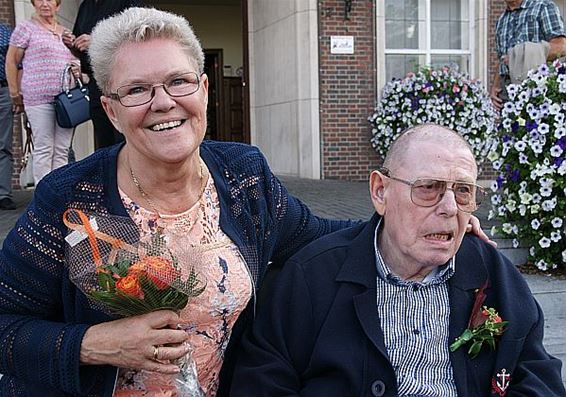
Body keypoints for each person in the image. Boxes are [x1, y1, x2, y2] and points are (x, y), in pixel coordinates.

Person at [0, 9, 490, 397]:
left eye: (178, 81)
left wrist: (415, 217)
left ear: (205, 90)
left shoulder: (243, 176)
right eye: (136, 91)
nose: (164, 102)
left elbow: (318, 236)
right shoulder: (69, 199)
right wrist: (94, 345)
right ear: (109, 109)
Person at [231, 124, 565, 397]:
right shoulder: (310, 277)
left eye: (463, 191)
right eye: (429, 187)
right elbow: (261, 382)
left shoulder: (494, 274)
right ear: (380, 192)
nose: (449, 207)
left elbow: (539, 377)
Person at [5, 0, 80, 185]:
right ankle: (43, 197)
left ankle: (59, 193)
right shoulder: (26, 28)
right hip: (38, 99)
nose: (45, 4)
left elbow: (76, 59)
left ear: (58, 5)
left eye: (50, 0)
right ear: (33, 3)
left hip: (65, 100)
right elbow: (11, 61)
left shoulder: (64, 32)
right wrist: (15, 92)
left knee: (62, 149)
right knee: (44, 148)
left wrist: (77, 65)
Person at [62, 0, 143, 150]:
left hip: (122, 82)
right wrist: (72, 45)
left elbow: (138, 36)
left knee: (124, 138)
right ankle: (108, 173)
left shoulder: (128, 2)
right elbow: (81, 50)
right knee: (103, 139)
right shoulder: (86, 5)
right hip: (96, 84)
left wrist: (96, 41)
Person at [490, 0, 566, 110]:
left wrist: (521, 54)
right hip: (506, 92)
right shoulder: (502, 19)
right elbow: (502, 58)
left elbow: (562, 47)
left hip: (536, 88)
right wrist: (495, 86)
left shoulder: (543, 7)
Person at [0, 22, 16, 211]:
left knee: (3, 144)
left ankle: (3, 194)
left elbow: (15, 63)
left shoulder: (5, 32)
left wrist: (15, 93)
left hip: (3, 91)